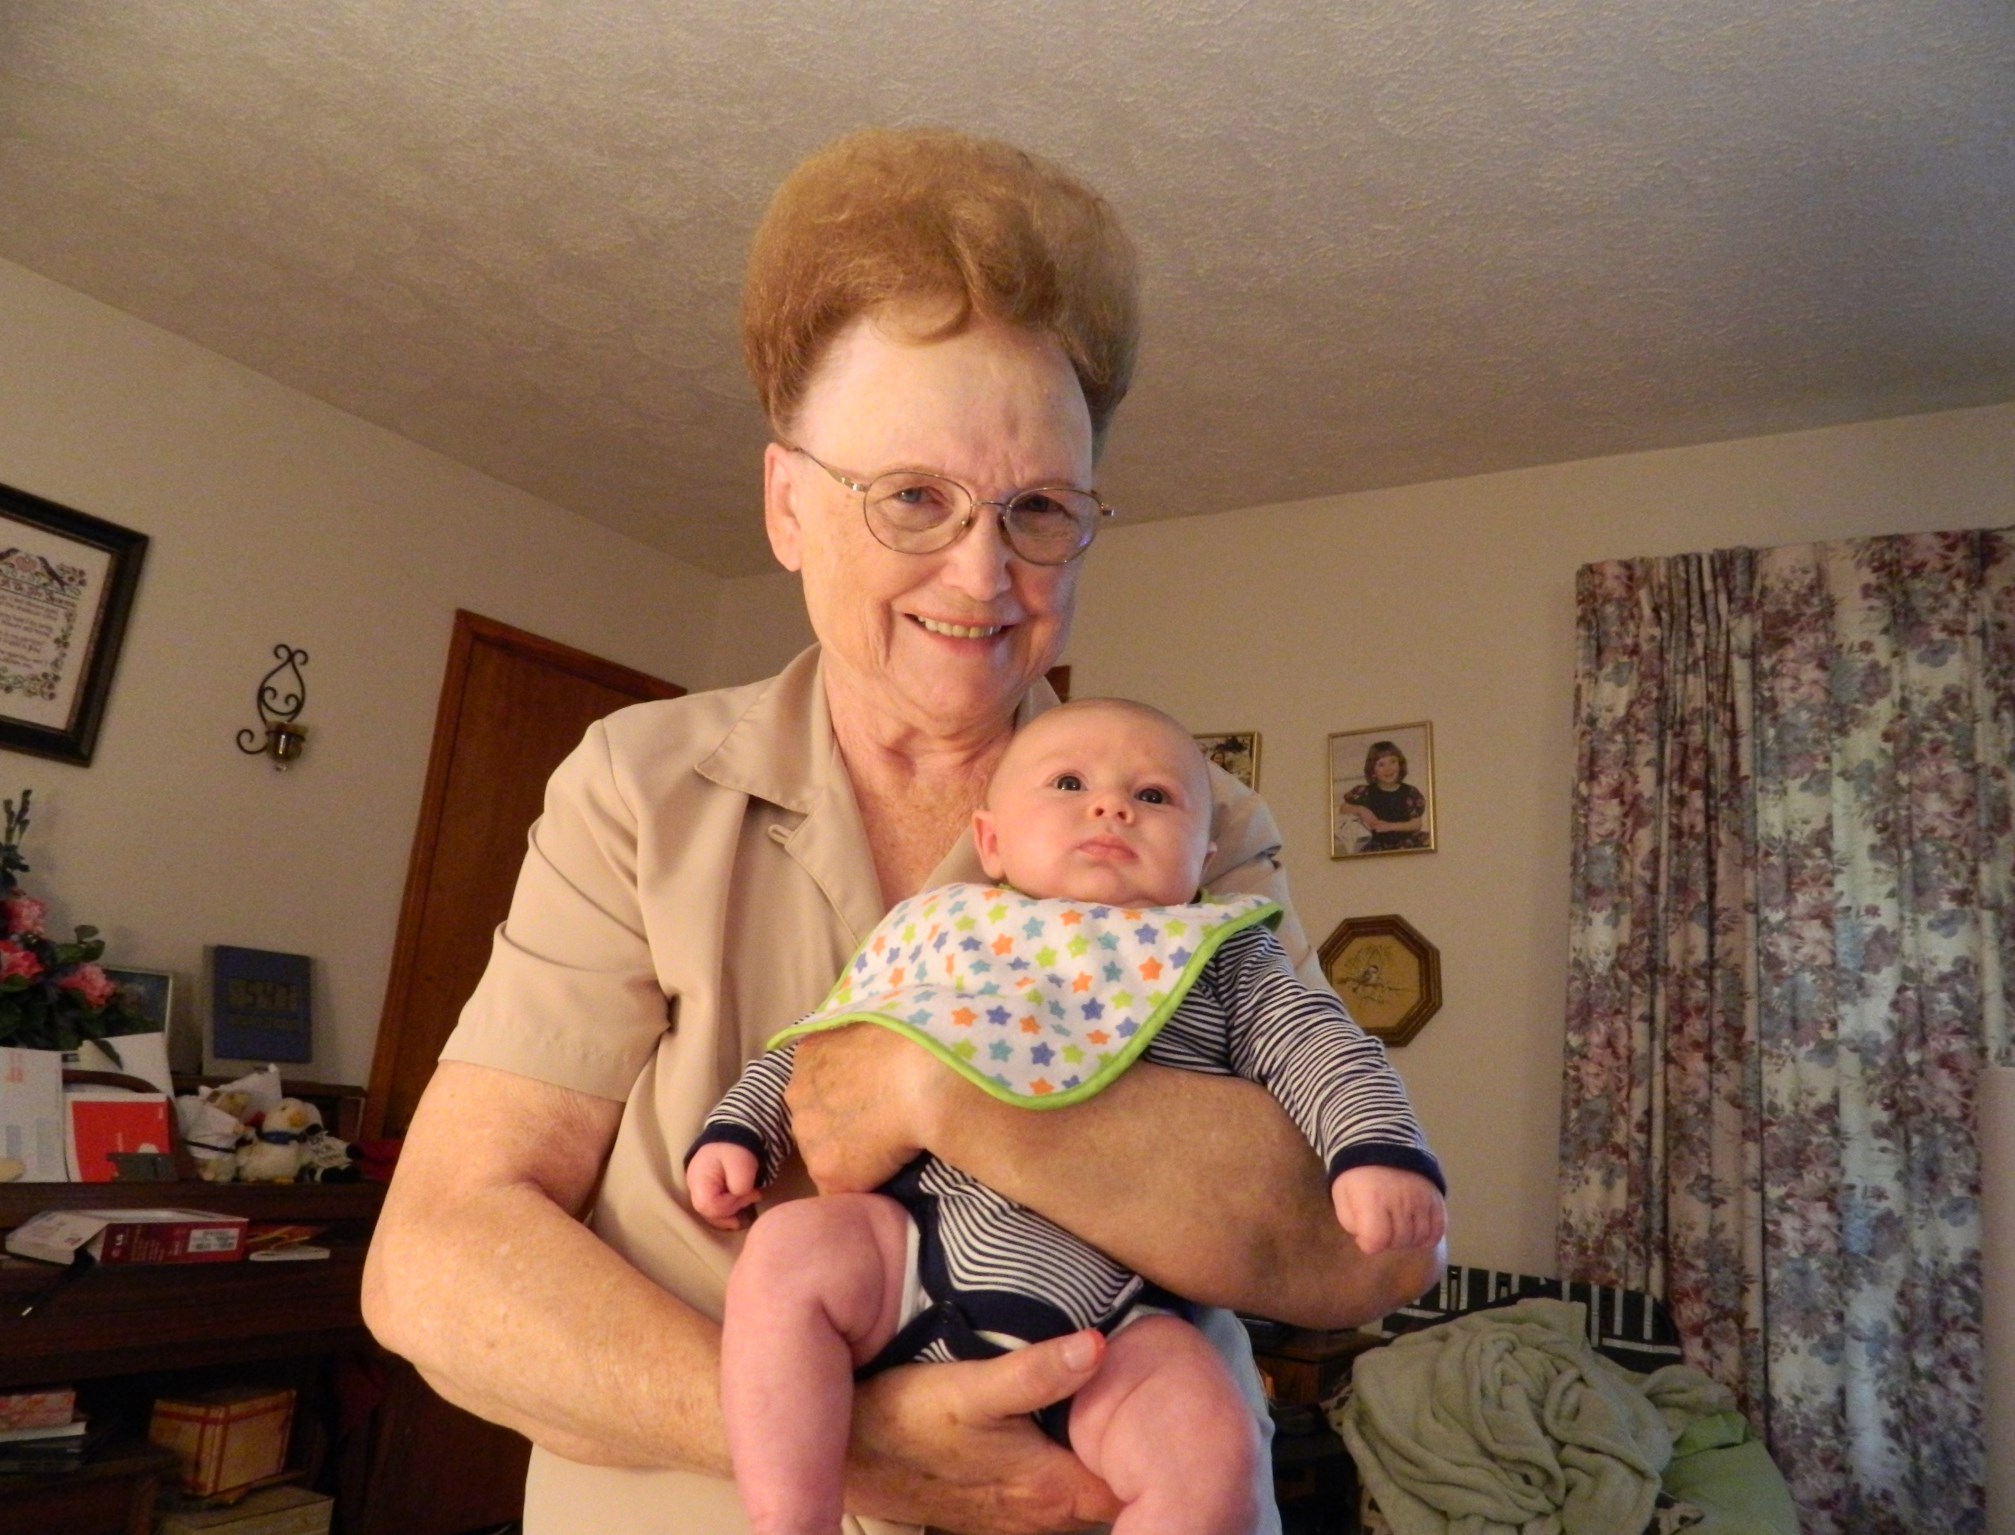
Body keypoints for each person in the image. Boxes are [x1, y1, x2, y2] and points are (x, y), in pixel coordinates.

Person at [362, 126, 1444, 1535]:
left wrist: (943, 1092)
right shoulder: (640, 786)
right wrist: (843, 1441)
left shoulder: (1194, 826)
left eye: (1038, 508)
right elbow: (438, 1254)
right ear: (789, 504)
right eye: (914, 498)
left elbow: (1348, 1252)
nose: (983, 574)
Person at [688, 698, 1446, 1535]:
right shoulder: (947, 929)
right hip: (912, 1256)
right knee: (787, 1255)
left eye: (1153, 796)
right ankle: (790, 1518)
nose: (1112, 806)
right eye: (1070, 784)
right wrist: (741, 1128)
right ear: (991, 842)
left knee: (1209, 1440)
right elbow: (821, 1041)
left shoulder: (1223, 953)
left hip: (1122, 1319)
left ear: (1204, 857)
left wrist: (1375, 1148)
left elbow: (1319, 1045)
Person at [1341, 741, 1429, 851]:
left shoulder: (1410, 792)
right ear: (1372, 770)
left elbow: (1416, 824)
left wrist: (1389, 826)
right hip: (1378, 844)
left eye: (1393, 762)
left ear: (1400, 765)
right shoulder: (1365, 791)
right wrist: (1361, 810)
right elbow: (1343, 808)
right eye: (1381, 764)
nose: (1388, 769)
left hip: (1407, 841)